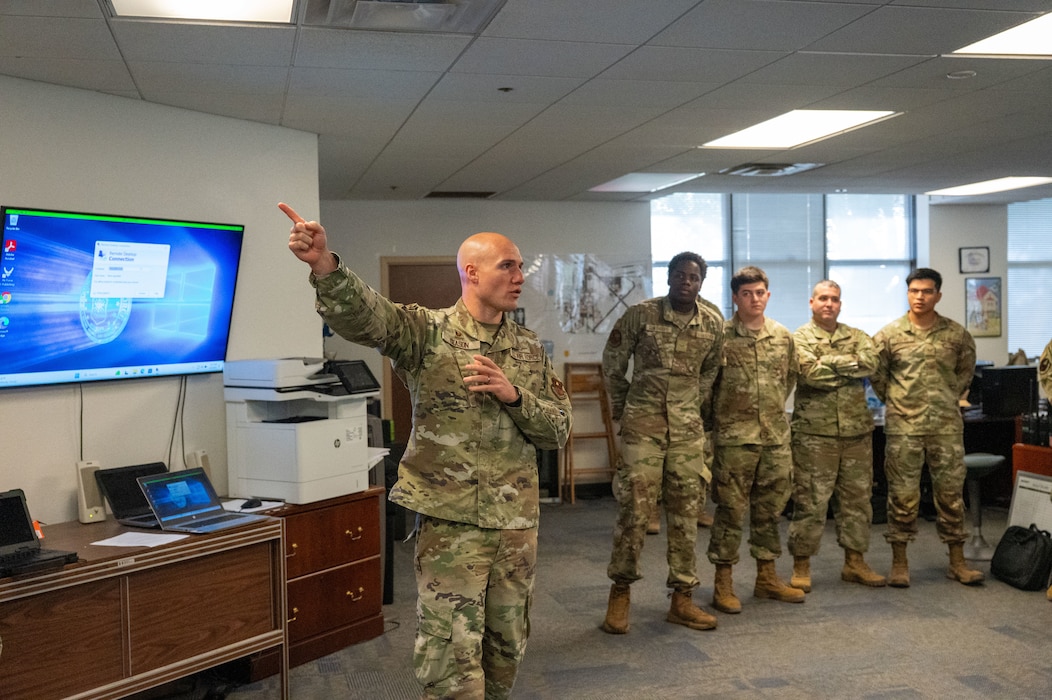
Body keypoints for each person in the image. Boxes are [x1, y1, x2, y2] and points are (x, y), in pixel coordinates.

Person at [281, 202, 572, 699]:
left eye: (521, 266)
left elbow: (558, 430)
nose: (520, 275)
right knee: (450, 658)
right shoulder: (427, 333)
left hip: (516, 525)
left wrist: (514, 395)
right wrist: (325, 267)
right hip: (451, 523)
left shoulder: (527, 349)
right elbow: (370, 319)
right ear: (472, 271)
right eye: (508, 265)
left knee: (506, 646)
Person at [601, 252, 724, 634]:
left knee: (687, 514)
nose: (686, 281)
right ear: (669, 278)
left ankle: (682, 598)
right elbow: (613, 362)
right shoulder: (641, 314)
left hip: (688, 432)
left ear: (701, 281)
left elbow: (711, 371)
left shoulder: (713, 321)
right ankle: (620, 593)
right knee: (635, 512)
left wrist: (692, 406)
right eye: (680, 275)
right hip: (644, 427)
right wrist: (623, 409)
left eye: (694, 276)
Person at [870, 267, 982, 588]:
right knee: (903, 496)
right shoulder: (889, 336)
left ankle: (957, 562)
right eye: (914, 291)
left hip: (946, 427)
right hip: (904, 428)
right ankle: (900, 562)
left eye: (927, 291)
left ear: (938, 295)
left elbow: (965, 374)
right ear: (907, 294)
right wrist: (898, 400)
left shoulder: (957, 335)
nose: (920, 297)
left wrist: (946, 399)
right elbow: (879, 378)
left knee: (950, 494)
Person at [707, 265, 804, 613]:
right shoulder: (721, 336)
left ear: (768, 295)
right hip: (735, 441)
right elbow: (708, 387)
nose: (754, 299)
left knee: (770, 511)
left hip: (775, 439)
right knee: (731, 512)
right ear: (735, 298)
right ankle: (723, 582)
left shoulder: (782, 336)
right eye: (746, 294)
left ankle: (766, 578)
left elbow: (789, 379)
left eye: (760, 292)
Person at [787, 280, 886, 592]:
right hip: (815, 434)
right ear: (812, 302)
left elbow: (871, 363)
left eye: (835, 299)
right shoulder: (798, 338)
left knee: (857, 501)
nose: (829, 304)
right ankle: (801, 564)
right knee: (811, 502)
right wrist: (848, 366)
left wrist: (827, 362)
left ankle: (854, 562)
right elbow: (809, 374)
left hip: (856, 432)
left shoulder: (857, 336)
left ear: (840, 304)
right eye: (823, 298)